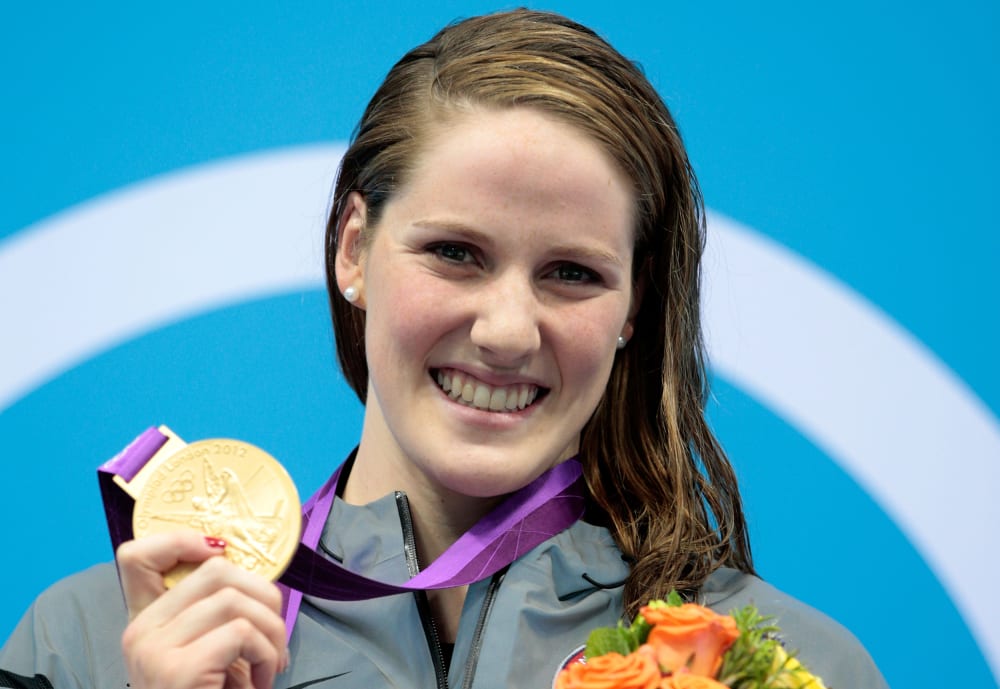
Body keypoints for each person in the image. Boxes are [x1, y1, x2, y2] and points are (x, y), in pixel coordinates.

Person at [0, 9, 888, 689]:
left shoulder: (780, 660)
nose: (507, 330)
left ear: (633, 305)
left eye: (572, 273)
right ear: (354, 249)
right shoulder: (89, 639)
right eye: (456, 253)